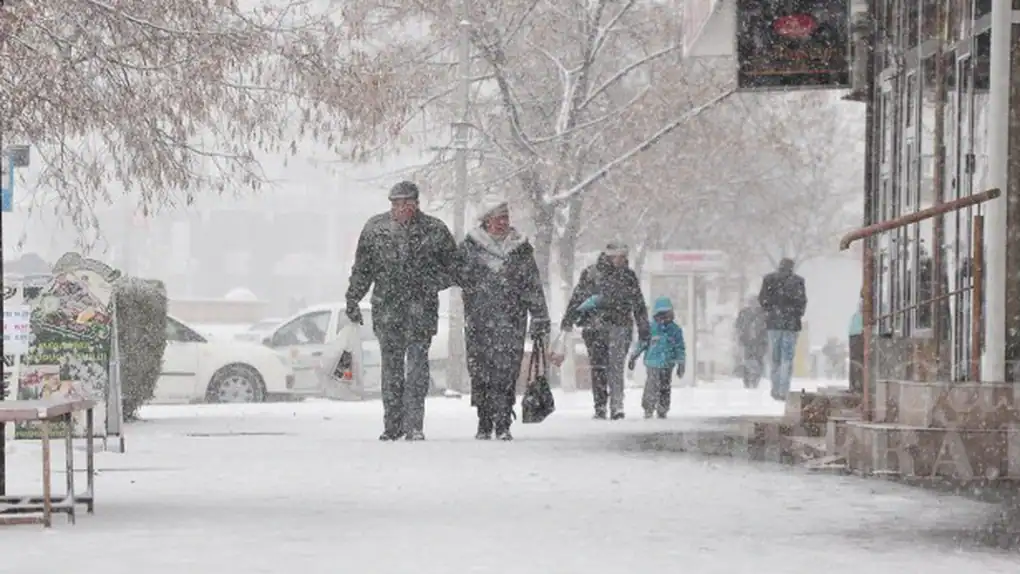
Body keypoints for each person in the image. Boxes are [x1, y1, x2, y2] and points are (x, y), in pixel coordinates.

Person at [345, 181, 458, 441]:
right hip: (387, 308)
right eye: (396, 204)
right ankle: (392, 425)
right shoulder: (375, 229)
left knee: (417, 368)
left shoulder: (434, 230)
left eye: (406, 203)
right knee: (391, 369)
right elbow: (362, 269)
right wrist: (352, 299)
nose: (401, 209)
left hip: (421, 310)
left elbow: (455, 268)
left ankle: (414, 425)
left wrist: (430, 282)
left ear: (416, 204)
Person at [456, 200, 549, 441]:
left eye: (505, 217)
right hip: (479, 319)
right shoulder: (470, 247)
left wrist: (540, 315)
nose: (503, 222)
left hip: (512, 318)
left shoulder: (520, 249)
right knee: (481, 370)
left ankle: (503, 420)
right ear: (486, 221)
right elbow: (457, 275)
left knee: (507, 371)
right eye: (498, 218)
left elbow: (532, 284)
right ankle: (484, 419)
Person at [561, 243, 650, 420]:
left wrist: (643, 328)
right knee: (598, 368)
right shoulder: (591, 273)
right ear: (609, 256)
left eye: (624, 256)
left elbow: (638, 303)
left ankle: (617, 405)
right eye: (619, 256)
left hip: (620, 326)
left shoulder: (628, 276)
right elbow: (578, 297)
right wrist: (569, 319)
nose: (622, 260)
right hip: (595, 328)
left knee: (616, 367)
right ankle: (600, 406)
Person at [627, 296, 685, 419]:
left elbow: (680, 347)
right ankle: (648, 407)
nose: (664, 319)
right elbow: (642, 344)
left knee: (665, 387)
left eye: (667, 315)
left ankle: (663, 408)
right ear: (655, 315)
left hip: (667, 364)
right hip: (652, 363)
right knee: (651, 386)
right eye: (661, 315)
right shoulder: (651, 329)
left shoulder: (675, 330)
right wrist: (633, 356)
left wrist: (681, 363)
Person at [757, 258, 807, 402]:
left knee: (775, 358)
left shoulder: (769, 279)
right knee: (787, 359)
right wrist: (795, 314)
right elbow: (802, 302)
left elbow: (763, 300)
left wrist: (771, 312)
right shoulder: (798, 281)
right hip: (791, 325)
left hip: (773, 324)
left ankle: (775, 388)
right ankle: (783, 390)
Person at [734, 296, 768, 389]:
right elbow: (738, 326)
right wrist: (738, 337)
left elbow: (767, 328)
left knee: (758, 361)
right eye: (751, 302)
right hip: (747, 341)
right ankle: (747, 381)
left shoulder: (763, 314)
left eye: (755, 302)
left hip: (760, 342)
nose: (753, 304)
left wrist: (766, 340)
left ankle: (755, 380)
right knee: (747, 361)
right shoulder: (744, 313)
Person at [848, 294, 864, 394]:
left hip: (854, 337)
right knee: (858, 362)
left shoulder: (855, 316)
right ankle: (857, 385)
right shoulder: (859, 317)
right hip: (858, 337)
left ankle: (854, 385)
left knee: (855, 362)